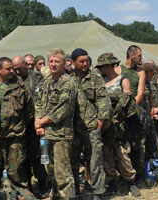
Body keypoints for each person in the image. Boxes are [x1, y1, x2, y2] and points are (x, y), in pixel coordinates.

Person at [0, 57, 34, 199]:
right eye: (8, 69)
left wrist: (17, 125)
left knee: (16, 169)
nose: (12, 71)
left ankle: (21, 195)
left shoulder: (20, 86)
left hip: (15, 136)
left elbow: (29, 110)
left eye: (12, 68)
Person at [95, 53, 141, 197]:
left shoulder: (122, 79)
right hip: (105, 124)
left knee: (122, 154)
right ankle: (111, 181)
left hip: (119, 123)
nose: (100, 69)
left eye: (102, 66)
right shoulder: (101, 81)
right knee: (107, 154)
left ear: (108, 65)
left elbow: (127, 96)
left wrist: (113, 100)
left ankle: (130, 181)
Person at [34, 48, 77, 200]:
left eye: (56, 61)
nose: (53, 64)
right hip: (46, 133)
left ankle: (68, 197)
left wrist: (41, 122)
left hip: (61, 134)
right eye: (51, 61)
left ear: (64, 63)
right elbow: (38, 103)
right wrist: (38, 123)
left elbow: (63, 110)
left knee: (62, 171)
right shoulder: (46, 81)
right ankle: (56, 195)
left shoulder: (68, 83)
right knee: (49, 168)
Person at [69, 48, 111, 198]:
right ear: (73, 63)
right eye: (81, 61)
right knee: (73, 159)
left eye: (87, 60)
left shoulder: (95, 76)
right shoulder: (68, 78)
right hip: (73, 127)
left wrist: (100, 121)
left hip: (92, 125)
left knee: (95, 159)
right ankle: (74, 191)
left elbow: (103, 99)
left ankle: (98, 191)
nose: (85, 63)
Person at [13, 55, 48, 198]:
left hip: (34, 123)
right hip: (19, 125)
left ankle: (43, 185)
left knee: (36, 156)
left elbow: (40, 100)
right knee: (22, 157)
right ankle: (28, 187)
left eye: (19, 68)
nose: (16, 71)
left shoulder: (36, 77)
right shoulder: (13, 79)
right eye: (14, 69)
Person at [115, 45, 147, 182]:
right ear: (131, 55)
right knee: (121, 144)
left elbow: (140, 93)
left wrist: (132, 109)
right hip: (120, 114)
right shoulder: (118, 69)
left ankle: (139, 174)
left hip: (135, 112)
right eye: (139, 55)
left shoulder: (140, 72)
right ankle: (123, 174)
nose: (141, 58)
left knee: (137, 144)